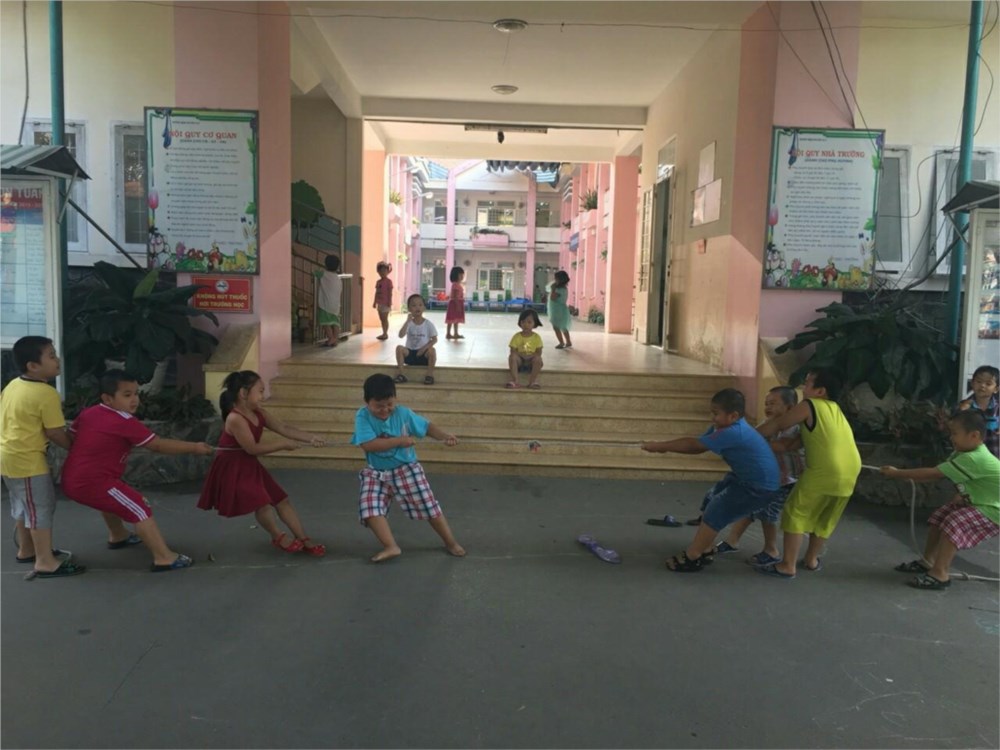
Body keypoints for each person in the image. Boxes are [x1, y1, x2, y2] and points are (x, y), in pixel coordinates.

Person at [61, 370, 214, 572]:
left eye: (136, 393)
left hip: (74, 478)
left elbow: (72, 436)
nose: (134, 399)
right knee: (139, 508)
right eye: (127, 395)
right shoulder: (124, 421)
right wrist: (195, 447)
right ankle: (164, 558)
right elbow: (157, 445)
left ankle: (119, 535)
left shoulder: (89, 413)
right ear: (107, 398)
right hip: (93, 481)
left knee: (111, 499)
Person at [641, 388, 780, 572]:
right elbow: (700, 442)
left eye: (716, 413)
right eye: (712, 412)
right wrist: (663, 446)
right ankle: (705, 548)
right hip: (746, 479)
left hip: (758, 486)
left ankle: (693, 555)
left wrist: (662, 446)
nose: (712, 417)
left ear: (733, 416)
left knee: (717, 510)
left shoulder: (734, 432)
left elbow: (695, 446)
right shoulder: (723, 427)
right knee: (713, 500)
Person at [198, 370, 328, 556]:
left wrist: (311, 438)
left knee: (281, 500)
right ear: (243, 393)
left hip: (249, 464)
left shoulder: (259, 413)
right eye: (260, 391)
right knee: (262, 503)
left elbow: (283, 428)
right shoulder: (235, 418)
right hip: (233, 467)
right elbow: (252, 448)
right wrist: (283, 444)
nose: (263, 396)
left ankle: (303, 538)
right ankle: (278, 536)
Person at [756, 369, 862, 579]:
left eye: (807, 383)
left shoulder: (810, 405)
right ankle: (811, 560)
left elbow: (779, 423)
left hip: (824, 471)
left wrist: (747, 436)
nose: (803, 388)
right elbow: (795, 443)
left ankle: (787, 565)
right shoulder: (836, 410)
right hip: (850, 472)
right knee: (825, 518)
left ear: (820, 391)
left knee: (795, 512)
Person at [350, 373, 466, 563]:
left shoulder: (403, 414)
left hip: (406, 469)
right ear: (367, 402)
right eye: (378, 406)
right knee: (368, 507)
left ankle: (450, 542)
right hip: (376, 472)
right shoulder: (362, 416)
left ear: (395, 399)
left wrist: (444, 436)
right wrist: (399, 441)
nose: (385, 409)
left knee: (429, 506)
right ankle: (391, 546)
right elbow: (368, 445)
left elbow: (427, 427)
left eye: (389, 404)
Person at [881, 410, 999, 590]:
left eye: (955, 433)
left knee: (955, 521)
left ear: (974, 436)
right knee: (941, 516)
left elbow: (934, 474)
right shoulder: (962, 453)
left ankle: (940, 573)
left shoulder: (975, 458)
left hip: (994, 510)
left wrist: (897, 474)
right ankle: (928, 561)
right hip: (980, 503)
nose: (951, 438)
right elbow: (942, 474)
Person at [0, 336, 84, 577]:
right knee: (40, 508)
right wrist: (76, 449)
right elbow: (55, 432)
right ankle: (45, 562)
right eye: (51, 356)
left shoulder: (13, 385)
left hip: (8, 457)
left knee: (23, 505)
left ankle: (27, 550)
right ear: (33, 366)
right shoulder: (46, 393)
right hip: (27, 461)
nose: (57, 360)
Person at [714, 386, 806, 566]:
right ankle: (733, 541)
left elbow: (783, 446)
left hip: (785, 481)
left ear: (790, 407)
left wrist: (755, 444)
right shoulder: (766, 424)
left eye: (773, 403)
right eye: (766, 404)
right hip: (765, 479)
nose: (768, 407)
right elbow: (753, 437)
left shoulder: (793, 428)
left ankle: (771, 550)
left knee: (767, 514)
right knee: (749, 508)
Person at [394, 294, 438, 385]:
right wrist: (407, 321)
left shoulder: (428, 324)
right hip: (410, 354)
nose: (417, 307)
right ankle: (401, 374)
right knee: (399, 348)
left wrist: (423, 349)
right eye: (414, 305)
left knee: (432, 351)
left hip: (423, 355)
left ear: (424, 307)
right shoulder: (409, 323)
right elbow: (401, 335)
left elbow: (434, 339)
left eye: (420, 305)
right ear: (409, 309)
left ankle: (429, 375)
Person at [958, 365, 999, 458]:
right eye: (979, 381)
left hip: (995, 454)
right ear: (972, 383)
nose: (982, 386)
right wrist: (961, 412)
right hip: (971, 456)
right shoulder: (964, 406)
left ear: (996, 389)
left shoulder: (998, 407)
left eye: (988, 384)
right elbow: (955, 428)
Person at [507, 309, 544, 389]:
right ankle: (515, 381)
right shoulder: (516, 336)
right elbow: (513, 351)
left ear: (534, 324)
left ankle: (532, 382)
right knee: (512, 357)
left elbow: (539, 353)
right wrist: (522, 355)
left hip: (531, 362)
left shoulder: (537, 337)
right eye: (523, 322)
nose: (526, 325)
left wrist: (529, 356)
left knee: (538, 359)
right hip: (520, 362)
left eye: (529, 322)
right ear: (520, 323)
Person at [314, 254, 343, 347]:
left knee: (325, 322)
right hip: (336, 305)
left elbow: (314, 273)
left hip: (326, 304)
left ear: (325, 265)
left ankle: (331, 338)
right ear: (337, 267)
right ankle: (335, 339)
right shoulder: (338, 278)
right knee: (335, 323)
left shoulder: (324, 274)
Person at [547, 270, 573, 349]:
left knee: (556, 326)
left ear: (560, 279)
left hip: (557, 310)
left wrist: (553, 289)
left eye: (556, 278)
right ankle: (568, 341)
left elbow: (553, 298)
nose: (554, 280)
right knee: (563, 326)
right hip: (562, 309)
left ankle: (561, 343)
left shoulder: (559, 290)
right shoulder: (564, 288)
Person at [373, 261, 393, 341]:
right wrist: (374, 302)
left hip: (386, 303)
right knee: (381, 319)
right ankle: (383, 332)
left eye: (384, 270)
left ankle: (385, 333)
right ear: (378, 272)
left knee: (385, 319)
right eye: (380, 271)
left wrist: (389, 302)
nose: (382, 272)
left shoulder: (389, 282)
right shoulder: (378, 282)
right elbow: (376, 292)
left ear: (388, 271)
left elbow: (390, 293)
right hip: (379, 303)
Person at [445, 266, 466, 340]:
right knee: (451, 319)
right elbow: (455, 297)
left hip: (456, 303)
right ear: (455, 275)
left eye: (462, 275)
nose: (462, 276)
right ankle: (448, 333)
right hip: (454, 304)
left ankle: (455, 333)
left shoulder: (457, 284)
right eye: (460, 275)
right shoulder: (455, 285)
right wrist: (458, 306)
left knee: (456, 319)